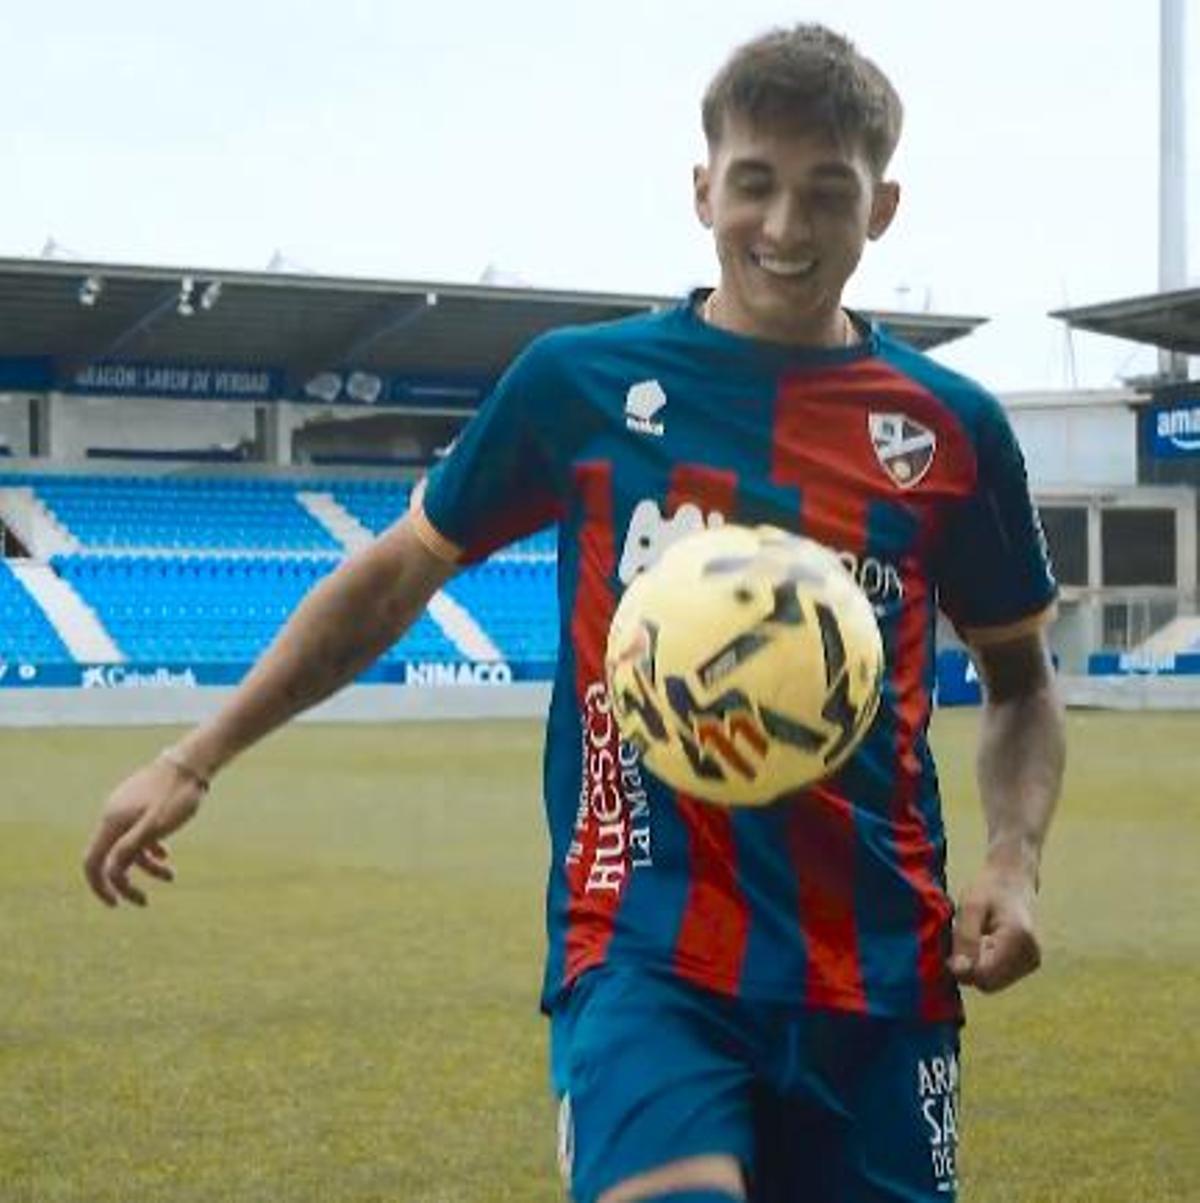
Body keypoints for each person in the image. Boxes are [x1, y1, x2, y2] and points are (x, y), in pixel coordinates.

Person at [84, 23, 1066, 1203]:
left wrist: (1013, 860)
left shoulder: (952, 428)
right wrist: (196, 757)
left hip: (884, 975)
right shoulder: (578, 385)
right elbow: (396, 575)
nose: (787, 230)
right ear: (703, 188)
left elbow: (1019, 680)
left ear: (885, 207)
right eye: (754, 185)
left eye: (828, 194)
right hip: (645, 955)